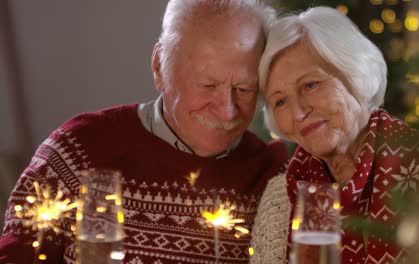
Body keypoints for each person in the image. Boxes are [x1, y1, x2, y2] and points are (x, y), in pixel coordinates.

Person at [0, 1, 288, 263]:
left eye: (243, 89)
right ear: (159, 67)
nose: (227, 110)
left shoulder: (272, 178)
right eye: (208, 85)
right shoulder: (78, 151)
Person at [249, 7, 419, 264]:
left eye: (310, 85)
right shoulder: (279, 201)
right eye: (280, 102)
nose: (298, 113)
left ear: (355, 73)